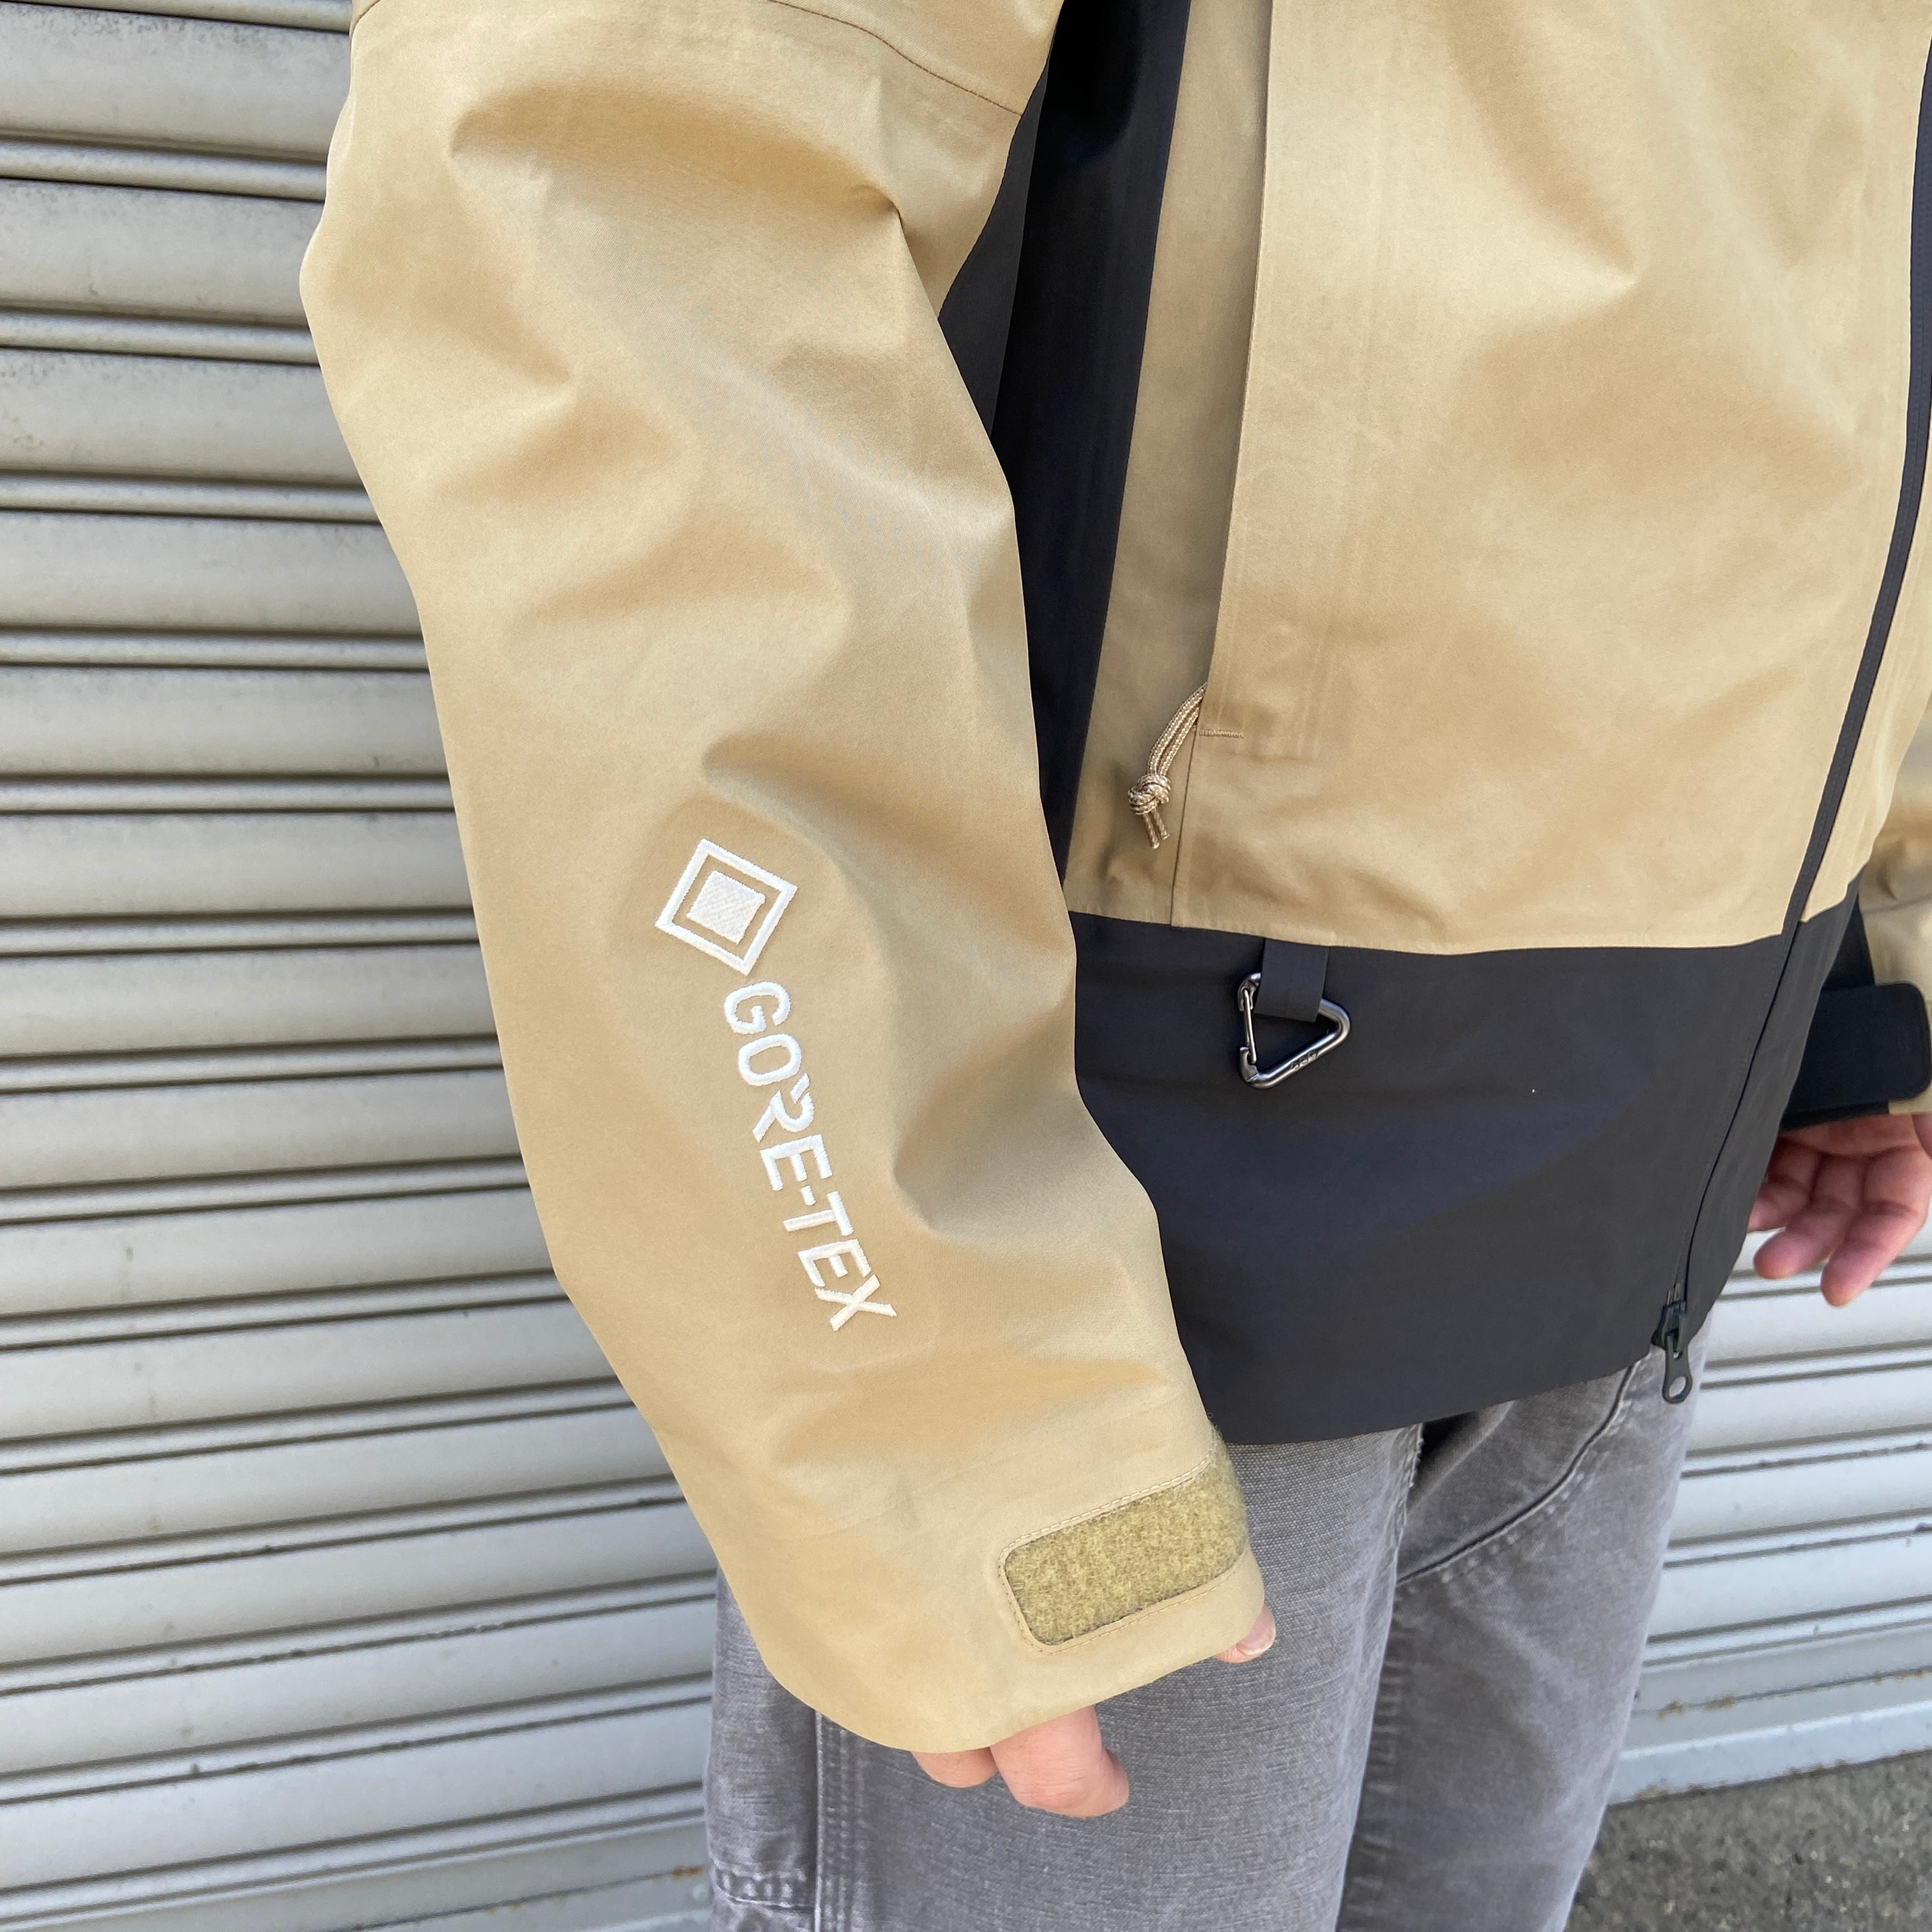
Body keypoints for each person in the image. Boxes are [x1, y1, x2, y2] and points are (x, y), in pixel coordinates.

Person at [302, 1, 1932, 1925]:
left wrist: (1851, 973)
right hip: (1149, 1248)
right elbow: (635, 213)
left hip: (1646, 1178)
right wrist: (925, 1367)